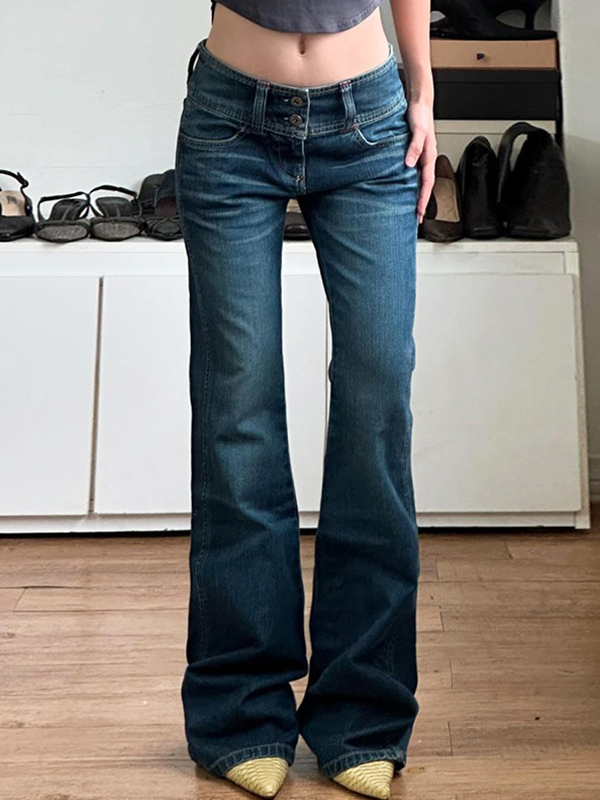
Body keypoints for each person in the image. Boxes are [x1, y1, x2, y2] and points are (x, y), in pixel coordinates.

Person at [174, 2, 436, 799]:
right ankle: (241, 713)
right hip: (231, 122)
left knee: (375, 404)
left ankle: (363, 714)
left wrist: (423, 90)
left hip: (370, 123)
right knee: (237, 413)